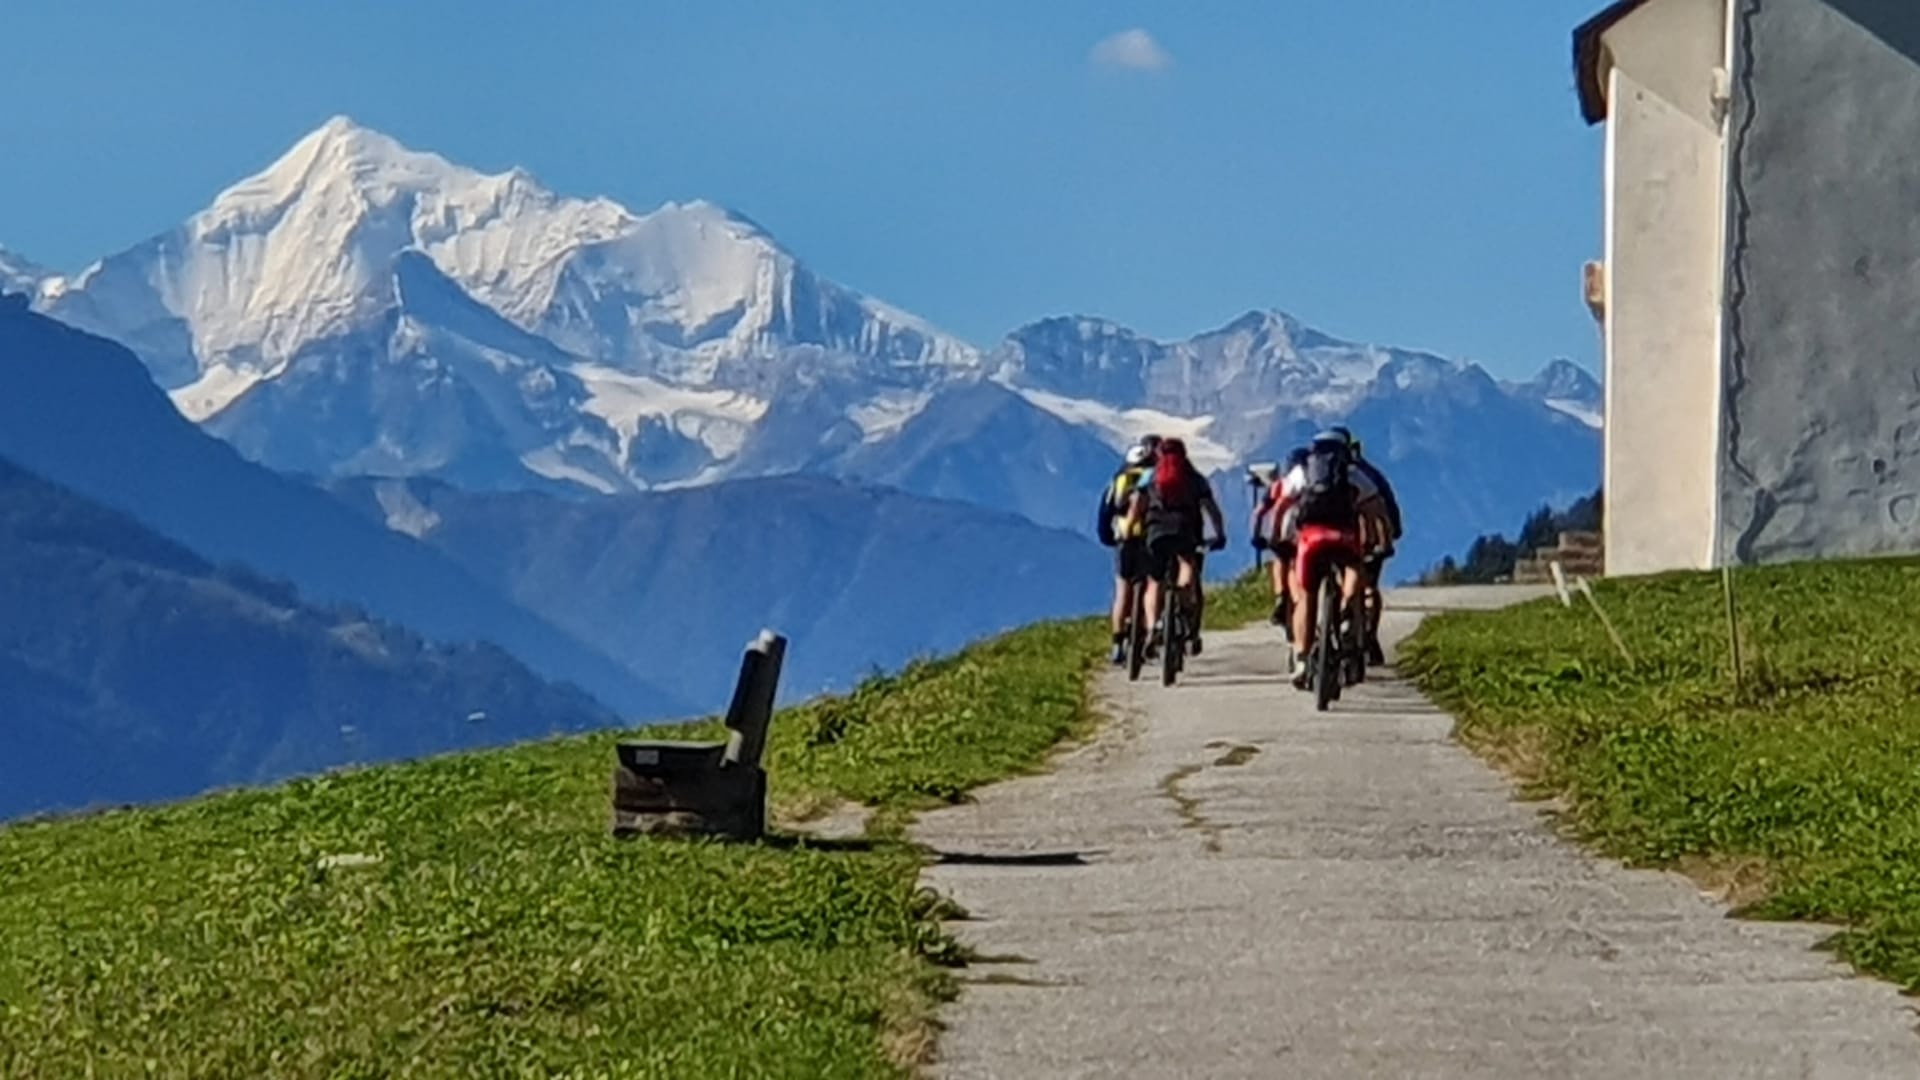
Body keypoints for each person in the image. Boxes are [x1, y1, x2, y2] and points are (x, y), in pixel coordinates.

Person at [1269, 430, 1383, 687]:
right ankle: (1346, 608)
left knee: (1307, 597)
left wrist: (1276, 536)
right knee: (1354, 567)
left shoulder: (1303, 472)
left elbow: (1282, 504)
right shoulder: (1353, 473)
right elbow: (1374, 509)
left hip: (1310, 540)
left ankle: (1301, 658)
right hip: (1343, 537)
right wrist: (1375, 541)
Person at [1123, 437, 1227, 657]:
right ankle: (1181, 594)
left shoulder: (1150, 476)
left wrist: (1129, 530)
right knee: (1187, 562)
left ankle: (1153, 627)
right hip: (1185, 529)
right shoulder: (1195, 478)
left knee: (1154, 581)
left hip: (1156, 531)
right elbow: (1211, 508)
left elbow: (1137, 505)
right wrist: (1219, 533)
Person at [1329, 426, 1401, 665]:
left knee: (1334, 583)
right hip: (1367, 541)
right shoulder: (1368, 474)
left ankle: (1331, 629)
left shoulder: (1315, 472)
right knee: (1369, 588)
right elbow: (1385, 507)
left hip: (1325, 539)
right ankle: (1369, 637)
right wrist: (1389, 539)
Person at [1097, 439, 1157, 664]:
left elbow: (1105, 512)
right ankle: (1146, 634)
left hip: (1124, 537)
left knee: (1123, 589)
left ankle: (1117, 643)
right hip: (1148, 537)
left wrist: (1107, 537)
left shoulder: (1118, 481)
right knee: (1150, 585)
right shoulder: (1153, 480)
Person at [1251, 447, 1310, 632]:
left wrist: (1257, 535)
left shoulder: (1280, 485)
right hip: (1310, 529)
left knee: (1281, 558)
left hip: (1286, 529)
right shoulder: (1316, 481)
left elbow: (1259, 512)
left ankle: (1281, 596)